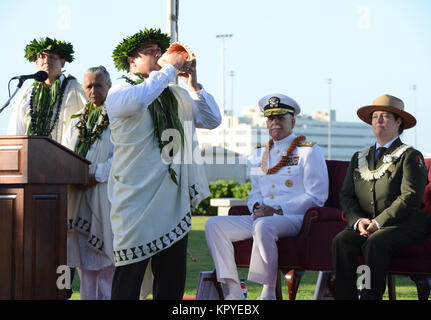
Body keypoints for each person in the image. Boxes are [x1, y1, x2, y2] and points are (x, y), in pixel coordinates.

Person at [105, 28, 221, 300]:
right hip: (134, 201)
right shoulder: (120, 92)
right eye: (151, 51)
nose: (159, 54)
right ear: (132, 60)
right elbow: (139, 101)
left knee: (171, 283)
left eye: (161, 50)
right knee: (128, 279)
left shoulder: (175, 96)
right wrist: (169, 70)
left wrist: (193, 84)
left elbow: (212, 119)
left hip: (171, 200)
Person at [205, 94, 329, 300]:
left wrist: (277, 209)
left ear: (293, 121)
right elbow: (255, 191)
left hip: (294, 218)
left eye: (281, 117)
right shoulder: (258, 154)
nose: (275, 122)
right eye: (271, 118)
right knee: (214, 225)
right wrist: (256, 207)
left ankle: (268, 291)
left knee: (263, 226)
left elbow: (316, 196)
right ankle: (234, 290)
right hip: (262, 216)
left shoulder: (308, 151)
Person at [332, 94, 431, 300]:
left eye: (385, 116)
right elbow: (347, 196)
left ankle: (369, 296)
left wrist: (378, 223)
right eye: (375, 116)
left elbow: (410, 197)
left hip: (404, 223)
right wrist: (358, 221)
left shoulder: (410, 156)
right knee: (341, 241)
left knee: (375, 242)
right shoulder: (359, 157)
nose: (378, 120)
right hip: (367, 224)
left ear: (398, 122)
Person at [64, 66, 115, 300]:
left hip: (104, 195)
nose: (93, 90)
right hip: (79, 196)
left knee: (106, 263)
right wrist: (74, 175)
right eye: (89, 86)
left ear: (109, 86)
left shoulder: (117, 117)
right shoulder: (78, 121)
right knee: (85, 264)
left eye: (98, 85)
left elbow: (123, 157)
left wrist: (95, 176)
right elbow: (65, 152)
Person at [7, 37, 87, 145]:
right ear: (36, 63)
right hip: (31, 158)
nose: (46, 61)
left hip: (64, 158)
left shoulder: (77, 90)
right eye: (42, 57)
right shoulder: (26, 95)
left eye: (52, 57)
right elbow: (15, 133)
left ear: (62, 62)